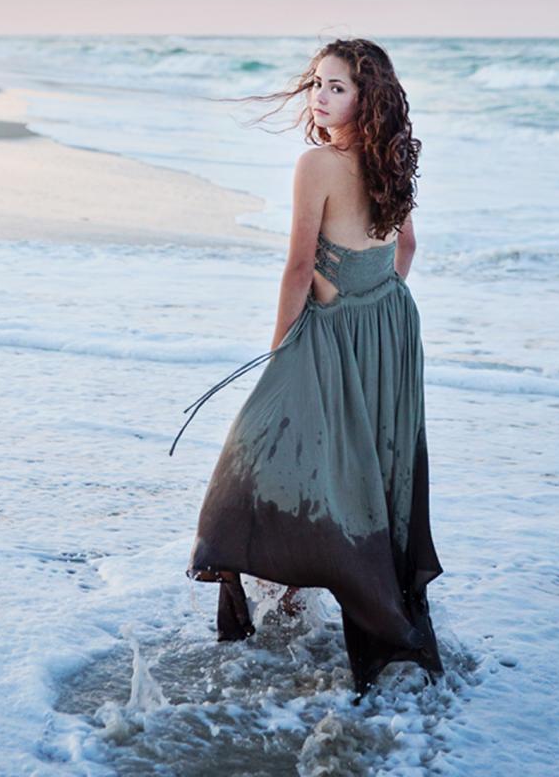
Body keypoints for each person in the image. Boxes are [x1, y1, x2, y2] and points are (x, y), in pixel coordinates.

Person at [172, 37, 443, 699]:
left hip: (328, 333)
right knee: (365, 465)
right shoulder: (394, 158)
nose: (319, 96)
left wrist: (281, 344)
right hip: (391, 327)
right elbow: (403, 246)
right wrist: (378, 305)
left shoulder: (315, 164)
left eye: (336, 87)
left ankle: (294, 585)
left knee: (265, 451)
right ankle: (309, 592)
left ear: (365, 99)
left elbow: (298, 266)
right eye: (316, 83)